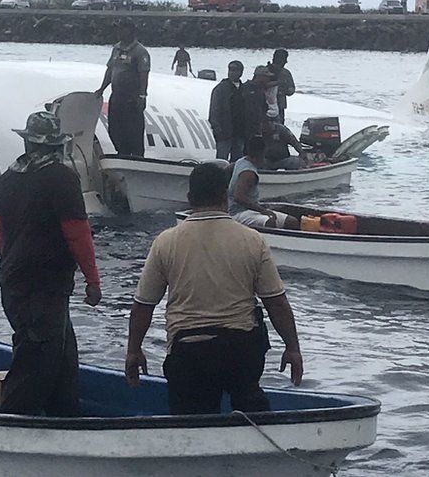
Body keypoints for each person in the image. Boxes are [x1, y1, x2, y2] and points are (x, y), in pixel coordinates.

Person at [125, 163, 303, 415]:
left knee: (190, 423)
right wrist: (292, 348)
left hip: (188, 352)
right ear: (224, 197)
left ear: (189, 198)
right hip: (240, 353)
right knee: (253, 412)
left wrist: (134, 351)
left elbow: (144, 304)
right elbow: (276, 302)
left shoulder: (166, 242)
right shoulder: (252, 240)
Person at [0, 109, 103, 416]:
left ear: (28, 144)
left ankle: (65, 418)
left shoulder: (8, 179)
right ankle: (10, 429)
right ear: (56, 146)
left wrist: (12, 269)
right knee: (35, 365)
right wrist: (93, 281)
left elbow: (2, 234)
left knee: (62, 358)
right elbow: (78, 235)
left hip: (14, 285)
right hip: (44, 289)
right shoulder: (62, 178)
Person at [95, 19, 151, 157]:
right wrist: (102, 88)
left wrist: (142, 96)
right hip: (116, 96)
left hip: (131, 98)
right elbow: (110, 70)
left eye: (122, 29)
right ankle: (122, 151)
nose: (119, 32)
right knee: (114, 129)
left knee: (133, 131)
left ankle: (136, 156)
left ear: (130, 31)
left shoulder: (140, 52)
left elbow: (144, 75)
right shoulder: (116, 49)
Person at [229, 137, 300, 230]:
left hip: (250, 210)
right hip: (239, 212)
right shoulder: (248, 173)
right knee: (270, 222)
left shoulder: (240, 161)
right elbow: (239, 197)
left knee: (292, 222)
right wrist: (263, 211)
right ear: (261, 153)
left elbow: (226, 169)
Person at [208, 60, 246, 161]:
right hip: (224, 132)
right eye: (230, 69)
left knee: (238, 160)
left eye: (235, 70)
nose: (232, 72)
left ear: (241, 72)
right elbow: (214, 110)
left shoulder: (244, 89)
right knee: (221, 160)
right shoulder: (221, 88)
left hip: (239, 132)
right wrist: (217, 128)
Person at [241, 65, 271, 140]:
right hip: (244, 127)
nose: (268, 79)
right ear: (259, 76)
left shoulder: (260, 90)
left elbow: (264, 107)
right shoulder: (245, 88)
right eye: (266, 77)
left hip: (257, 127)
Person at [266, 49, 295, 124]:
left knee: (280, 128)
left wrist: (286, 90)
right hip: (266, 106)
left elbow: (291, 89)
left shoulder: (286, 73)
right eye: (285, 59)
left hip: (280, 106)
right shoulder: (265, 71)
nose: (286, 62)